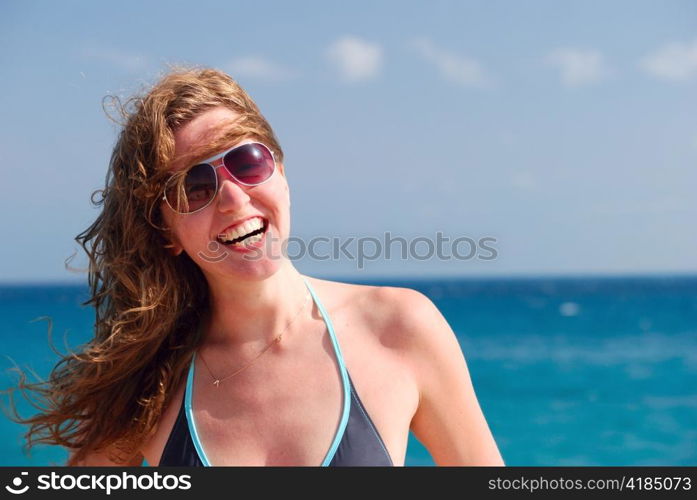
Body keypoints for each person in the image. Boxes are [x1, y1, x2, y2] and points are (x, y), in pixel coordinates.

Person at [12, 67, 504, 466]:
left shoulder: (397, 328)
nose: (232, 198)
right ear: (166, 232)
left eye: (246, 163)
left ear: (281, 174)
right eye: (194, 187)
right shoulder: (150, 382)